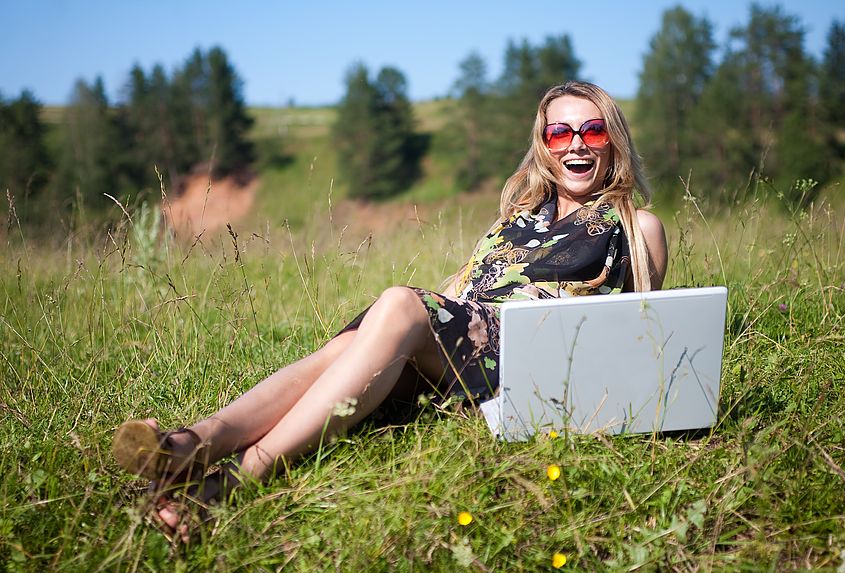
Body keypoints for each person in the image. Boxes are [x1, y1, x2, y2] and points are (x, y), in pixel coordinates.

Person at [111, 80, 668, 540]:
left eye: (592, 130)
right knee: (345, 349)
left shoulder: (634, 225)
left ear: (612, 141)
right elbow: (469, 289)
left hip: (527, 366)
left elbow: (640, 338)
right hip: (462, 351)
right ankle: (190, 445)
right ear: (545, 145)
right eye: (561, 131)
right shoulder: (518, 215)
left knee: (400, 305)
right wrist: (416, 323)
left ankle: (232, 481)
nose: (577, 144)